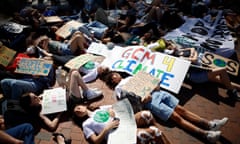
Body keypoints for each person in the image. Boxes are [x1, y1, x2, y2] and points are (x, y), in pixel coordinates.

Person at [102, 71, 228, 143]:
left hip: (158, 93)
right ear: (112, 81)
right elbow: (128, 101)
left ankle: (210, 124)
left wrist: (154, 85)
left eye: (116, 73)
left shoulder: (131, 76)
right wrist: (141, 98)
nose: (116, 75)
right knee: (176, 117)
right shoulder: (118, 90)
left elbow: (152, 82)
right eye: (113, 76)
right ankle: (205, 134)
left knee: (181, 109)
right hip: (150, 102)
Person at [72, 103, 172, 144]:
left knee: (147, 114)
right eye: (76, 112)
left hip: (124, 122)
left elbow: (117, 107)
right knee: (155, 131)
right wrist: (107, 128)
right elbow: (95, 141)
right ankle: (156, 136)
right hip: (119, 135)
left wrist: (112, 109)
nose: (78, 110)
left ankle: (157, 138)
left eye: (78, 107)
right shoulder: (86, 124)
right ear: (78, 117)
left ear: (83, 105)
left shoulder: (99, 109)